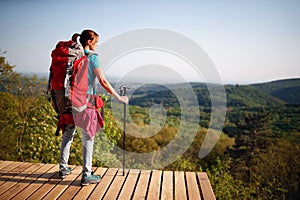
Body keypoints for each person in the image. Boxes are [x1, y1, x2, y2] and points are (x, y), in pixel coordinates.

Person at [59, 30, 128, 186]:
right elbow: (102, 80)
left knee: (68, 134)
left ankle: (63, 169)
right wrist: (119, 97)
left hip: (68, 99)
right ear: (89, 42)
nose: (97, 45)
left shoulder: (71, 56)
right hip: (85, 102)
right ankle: (86, 175)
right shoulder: (92, 57)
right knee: (88, 137)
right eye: (96, 42)